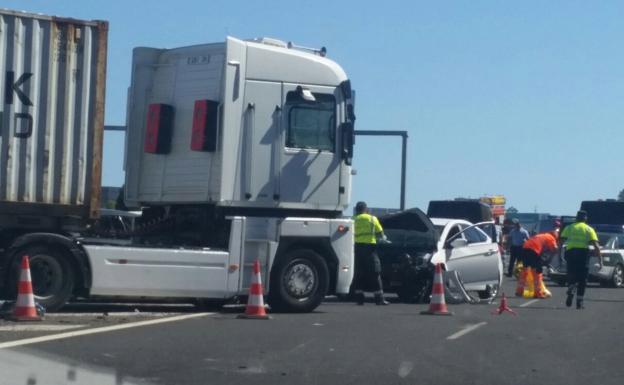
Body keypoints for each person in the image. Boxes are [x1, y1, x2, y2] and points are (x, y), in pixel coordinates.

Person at [560, 210, 602, 309]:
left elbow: (561, 242)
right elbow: (596, 245)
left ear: (576, 218)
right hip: (583, 254)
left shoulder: (569, 228)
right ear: (585, 218)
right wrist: (600, 260)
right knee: (583, 279)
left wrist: (559, 256)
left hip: (570, 253)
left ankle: (571, 286)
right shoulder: (589, 229)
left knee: (571, 274)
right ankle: (579, 302)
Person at [352, 201, 389, 305]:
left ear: (356, 210)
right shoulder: (372, 219)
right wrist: (384, 239)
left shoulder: (352, 220)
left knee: (358, 273)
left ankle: (359, 299)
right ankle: (379, 299)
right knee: (375, 273)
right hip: (370, 249)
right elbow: (380, 234)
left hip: (357, 249)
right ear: (366, 209)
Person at [515, 232, 558, 298]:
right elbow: (554, 248)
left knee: (524, 270)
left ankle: (519, 291)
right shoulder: (551, 237)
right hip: (533, 251)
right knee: (537, 272)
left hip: (525, 249)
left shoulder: (540, 235)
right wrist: (550, 259)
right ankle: (538, 293)